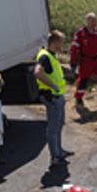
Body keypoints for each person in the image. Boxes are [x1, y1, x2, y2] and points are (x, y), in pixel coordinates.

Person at [33, 30, 74, 163]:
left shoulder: (51, 55)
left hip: (57, 95)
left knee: (59, 124)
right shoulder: (45, 56)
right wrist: (52, 86)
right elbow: (37, 72)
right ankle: (55, 156)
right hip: (52, 96)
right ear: (55, 42)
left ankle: (59, 151)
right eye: (61, 42)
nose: (63, 44)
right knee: (53, 127)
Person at [69, 12, 97, 112]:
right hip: (86, 61)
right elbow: (74, 49)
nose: (94, 23)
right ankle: (78, 98)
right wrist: (73, 63)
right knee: (83, 81)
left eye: (95, 21)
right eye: (92, 21)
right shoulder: (80, 34)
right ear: (87, 21)